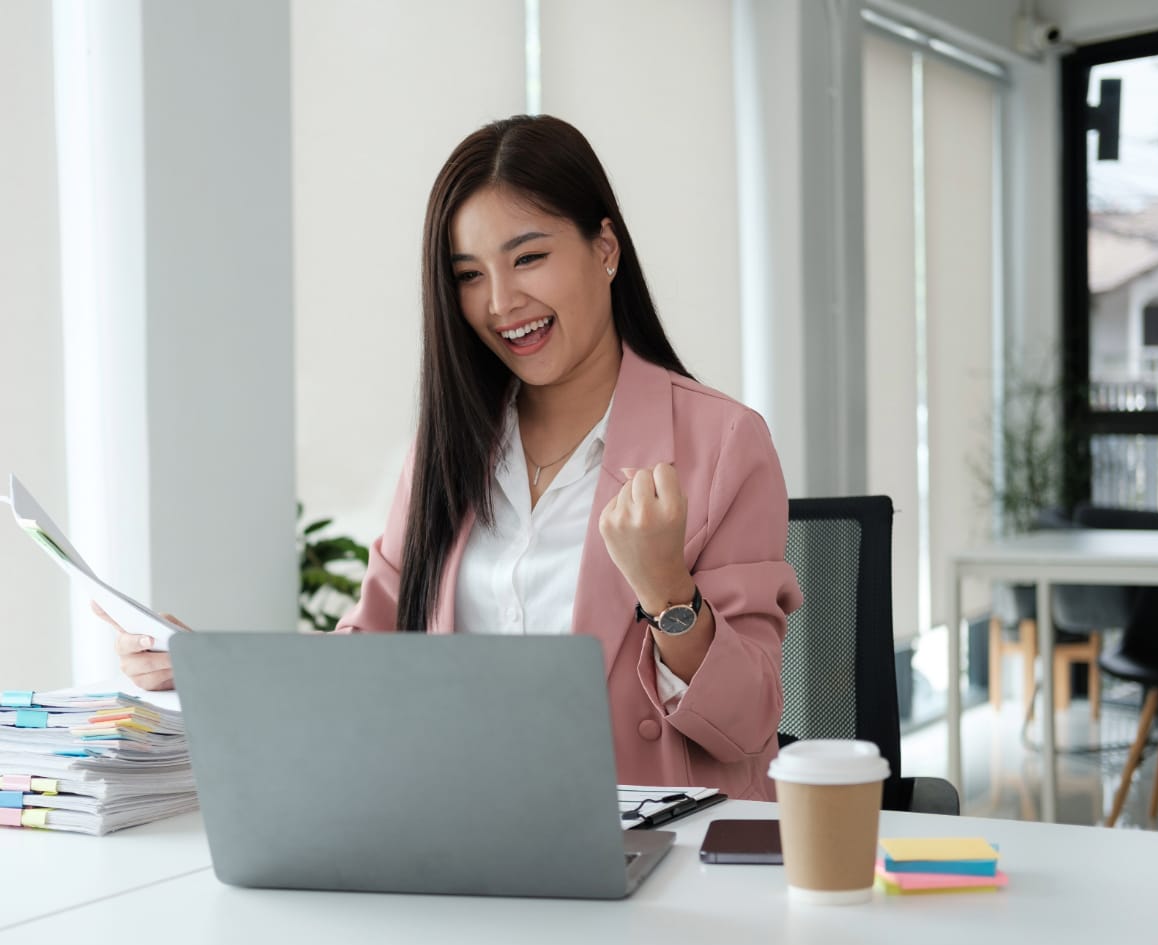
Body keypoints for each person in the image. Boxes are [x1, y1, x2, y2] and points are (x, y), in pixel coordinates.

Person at [96, 114, 803, 800]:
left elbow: (747, 725)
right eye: (468, 275)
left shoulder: (722, 443)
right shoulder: (447, 451)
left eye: (529, 257)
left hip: (659, 857)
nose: (501, 302)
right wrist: (212, 668)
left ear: (605, 249)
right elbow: (372, 651)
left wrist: (669, 595)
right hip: (466, 834)